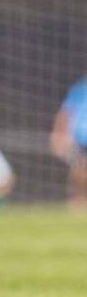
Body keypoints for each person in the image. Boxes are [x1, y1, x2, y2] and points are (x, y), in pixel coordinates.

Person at [50, 75, 87, 208]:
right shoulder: (80, 90)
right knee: (80, 167)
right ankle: (78, 200)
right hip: (81, 137)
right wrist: (58, 134)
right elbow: (65, 113)